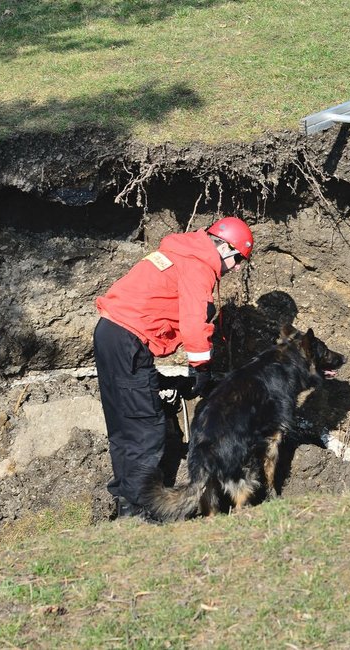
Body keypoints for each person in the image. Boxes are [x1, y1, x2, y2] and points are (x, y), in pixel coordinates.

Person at [93, 216, 254, 520]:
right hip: (128, 340)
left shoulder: (181, 252)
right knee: (145, 428)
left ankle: (127, 503)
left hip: (109, 333)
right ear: (225, 246)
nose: (234, 268)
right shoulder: (199, 264)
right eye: (237, 259)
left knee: (124, 426)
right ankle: (142, 510)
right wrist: (201, 367)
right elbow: (194, 321)